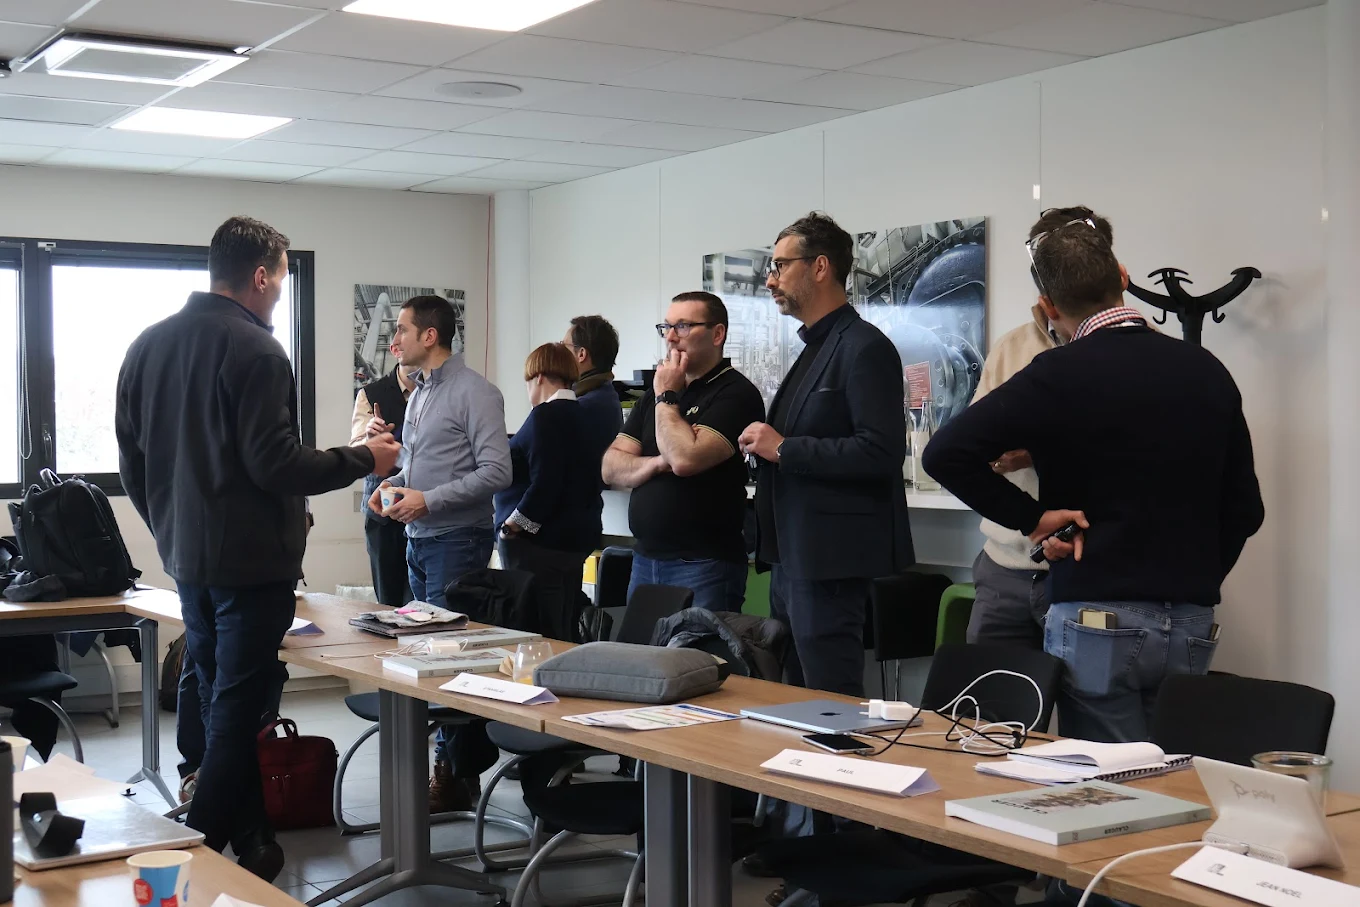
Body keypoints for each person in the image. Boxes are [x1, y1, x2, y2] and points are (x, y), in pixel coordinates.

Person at [115, 215, 400, 880]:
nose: (279, 294)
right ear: (263, 275)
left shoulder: (147, 344)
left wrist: (168, 528)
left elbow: (132, 463)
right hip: (251, 566)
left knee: (220, 698)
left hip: (188, 559)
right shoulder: (258, 350)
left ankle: (254, 838)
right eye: (282, 279)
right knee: (238, 710)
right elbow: (274, 463)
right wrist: (366, 457)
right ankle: (195, 850)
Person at [923, 209, 1264, 743]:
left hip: (1096, 612)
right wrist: (1194, 580)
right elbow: (1246, 511)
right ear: (1120, 280)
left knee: (1108, 779)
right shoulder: (1206, 370)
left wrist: (1034, 518)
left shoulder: (1057, 374)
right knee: (1172, 770)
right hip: (1191, 619)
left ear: (1050, 306)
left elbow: (944, 454)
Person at [739, 212, 914, 698]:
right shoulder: (815, 347)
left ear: (820, 267)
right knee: (797, 698)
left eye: (780, 266)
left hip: (829, 560)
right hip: (791, 557)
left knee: (829, 701)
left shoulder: (864, 348)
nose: (770, 280)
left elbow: (880, 451)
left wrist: (784, 447)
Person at [366, 294, 511, 813]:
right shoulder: (421, 393)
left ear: (430, 336)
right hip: (419, 540)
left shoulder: (477, 393)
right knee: (427, 656)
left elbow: (497, 472)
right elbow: (420, 465)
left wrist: (428, 499)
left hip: (458, 540)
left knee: (452, 660)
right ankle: (450, 768)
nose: (394, 341)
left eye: (401, 330)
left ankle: (454, 772)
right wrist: (393, 487)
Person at [964, 207, 1113, 650]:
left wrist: (1034, 450)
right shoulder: (1011, 347)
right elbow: (968, 442)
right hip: (1005, 567)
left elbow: (1125, 448)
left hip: (1091, 569)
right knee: (989, 693)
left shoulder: (1129, 352)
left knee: (1089, 693)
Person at [603, 292, 764, 611]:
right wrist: (657, 463)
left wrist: (666, 396)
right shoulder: (653, 395)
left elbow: (684, 458)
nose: (670, 337)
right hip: (645, 559)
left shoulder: (735, 393)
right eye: (666, 327)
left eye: (683, 326)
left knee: (697, 646)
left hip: (704, 565)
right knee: (641, 645)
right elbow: (610, 466)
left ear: (717, 334)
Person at [494, 343, 602, 640]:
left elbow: (546, 483)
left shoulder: (543, 416)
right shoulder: (585, 416)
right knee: (562, 628)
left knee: (535, 634)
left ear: (539, 377)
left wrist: (512, 526)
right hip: (573, 541)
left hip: (537, 546)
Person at [351, 355, 417, 606]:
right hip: (383, 508)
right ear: (395, 350)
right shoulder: (370, 394)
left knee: (421, 601)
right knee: (388, 600)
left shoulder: (435, 392)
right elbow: (355, 449)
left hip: (425, 506)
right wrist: (370, 440)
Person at [564, 314, 623, 473]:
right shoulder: (602, 395)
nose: (559, 353)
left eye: (564, 346)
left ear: (581, 354)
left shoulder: (584, 406)